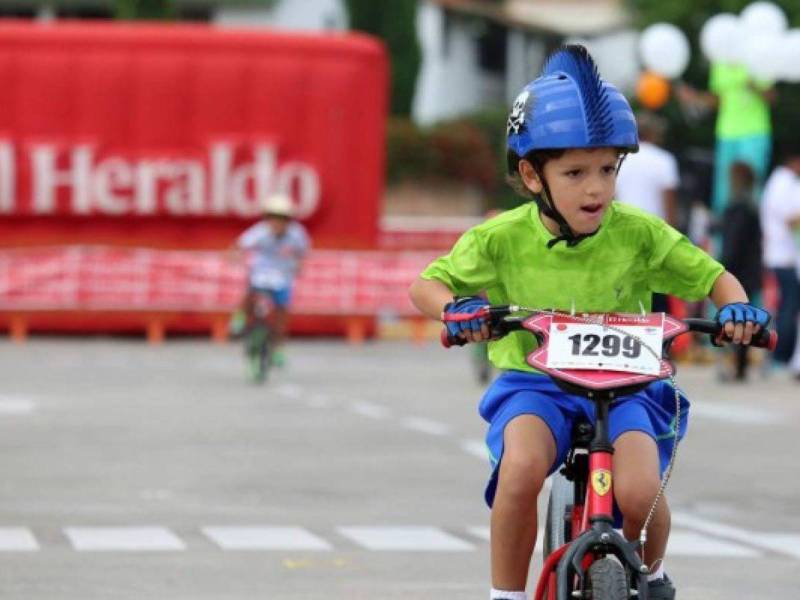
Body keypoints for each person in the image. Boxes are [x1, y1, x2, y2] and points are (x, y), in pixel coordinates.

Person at [408, 45, 770, 600]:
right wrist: (456, 311)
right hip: (536, 386)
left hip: (628, 387)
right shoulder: (500, 238)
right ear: (532, 175)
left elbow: (715, 278)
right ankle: (505, 594)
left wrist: (737, 309)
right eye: (575, 172)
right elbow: (427, 286)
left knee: (641, 489)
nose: (596, 188)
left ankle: (650, 576)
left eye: (607, 168)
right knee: (522, 469)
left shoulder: (639, 232)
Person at [677, 64, 775, 218]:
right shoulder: (720, 64)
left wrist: (755, 86)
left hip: (755, 132)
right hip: (726, 134)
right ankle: (722, 238)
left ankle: (753, 236)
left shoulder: (755, 56)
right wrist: (695, 98)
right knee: (723, 192)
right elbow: (718, 100)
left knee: (752, 188)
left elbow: (771, 97)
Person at [230, 194, 310, 366]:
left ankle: (278, 349)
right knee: (250, 294)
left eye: (282, 218)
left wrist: (299, 266)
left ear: (288, 220)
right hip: (262, 272)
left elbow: (302, 254)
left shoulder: (297, 234)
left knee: (281, 314)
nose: (277, 222)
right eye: (273, 218)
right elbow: (241, 245)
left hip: (283, 276)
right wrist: (235, 256)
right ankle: (240, 318)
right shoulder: (260, 231)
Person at [615, 111, 680, 313]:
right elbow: (669, 205)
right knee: (657, 294)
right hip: (654, 235)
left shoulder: (618, 160)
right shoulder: (665, 160)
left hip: (623, 233)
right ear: (653, 132)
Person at [717, 162, 763, 380]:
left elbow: (733, 243)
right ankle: (740, 365)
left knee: (736, 319)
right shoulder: (751, 206)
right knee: (744, 318)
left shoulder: (738, 208)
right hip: (750, 269)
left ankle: (737, 366)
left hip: (737, 270)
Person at [760, 149, 800, 366]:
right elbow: (791, 217)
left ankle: (780, 353)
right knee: (788, 307)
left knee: (785, 306)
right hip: (783, 256)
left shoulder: (777, 182)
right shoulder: (785, 183)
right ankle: (781, 355)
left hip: (778, 253)